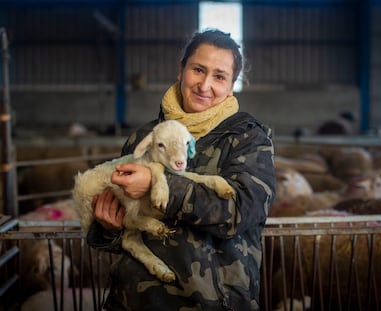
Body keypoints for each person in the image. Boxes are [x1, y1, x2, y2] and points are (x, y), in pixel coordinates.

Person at [87, 28, 276, 311]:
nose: (205, 85)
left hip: (210, 303)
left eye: (219, 76)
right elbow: (119, 233)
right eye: (198, 70)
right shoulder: (144, 139)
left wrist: (159, 185)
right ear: (181, 70)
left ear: (231, 84)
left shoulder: (247, 139)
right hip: (136, 301)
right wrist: (108, 228)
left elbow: (241, 211)